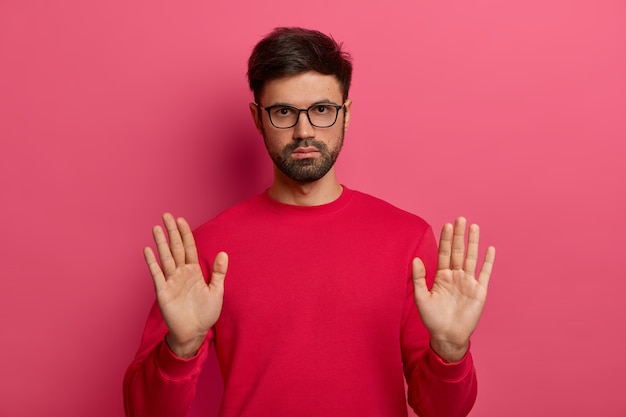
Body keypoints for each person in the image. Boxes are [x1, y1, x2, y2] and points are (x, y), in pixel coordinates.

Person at [123, 27, 496, 417]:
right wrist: (180, 347)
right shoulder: (207, 248)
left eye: (321, 110)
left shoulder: (407, 239)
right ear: (257, 118)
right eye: (283, 112)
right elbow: (142, 410)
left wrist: (451, 351)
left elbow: (443, 410)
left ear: (346, 114)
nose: (304, 131)